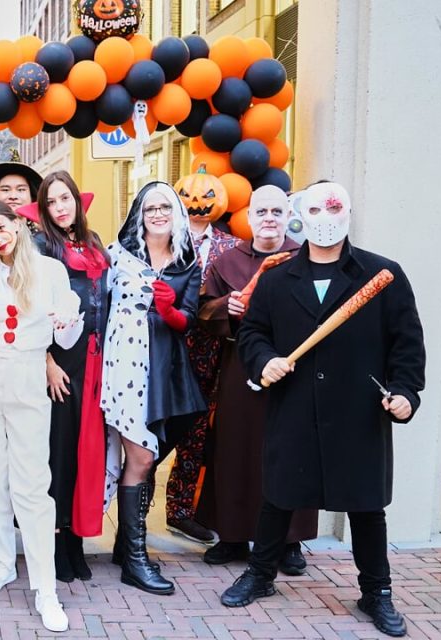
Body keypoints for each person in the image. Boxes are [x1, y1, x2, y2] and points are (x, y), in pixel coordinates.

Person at [224, 182, 425, 639]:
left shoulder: (382, 275)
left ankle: (377, 591)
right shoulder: (278, 279)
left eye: (333, 206)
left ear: (349, 211)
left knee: (367, 508)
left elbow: (407, 345)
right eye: (314, 207)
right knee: (278, 498)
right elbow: (253, 333)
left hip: (358, 413)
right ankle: (260, 574)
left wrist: (406, 393)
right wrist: (263, 359)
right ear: (301, 215)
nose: (324, 215)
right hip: (293, 407)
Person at [0, 200, 81, 632]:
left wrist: (64, 321)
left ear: (19, 224)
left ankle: (45, 587)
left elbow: (69, 330)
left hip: (27, 379)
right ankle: (4, 560)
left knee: (31, 486)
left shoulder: (50, 272)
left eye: (1, 229)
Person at [194, 186, 315, 571]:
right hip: (241, 366)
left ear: (287, 216)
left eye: (277, 212)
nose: (268, 218)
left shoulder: (307, 258)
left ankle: (289, 542)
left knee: (290, 453)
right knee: (235, 450)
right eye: (261, 211)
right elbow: (203, 310)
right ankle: (231, 536)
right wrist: (222, 307)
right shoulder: (228, 262)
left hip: (293, 368)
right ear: (249, 217)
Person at [100, 181, 206, 596]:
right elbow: (98, 306)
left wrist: (168, 309)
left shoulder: (186, 263)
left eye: (165, 207)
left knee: (146, 457)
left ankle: (126, 548)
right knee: (140, 457)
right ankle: (136, 561)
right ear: (138, 215)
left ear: (177, 213)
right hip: (122, 364)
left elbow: (189, 319)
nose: (158, 213)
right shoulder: (117, 256)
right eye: (149, 208)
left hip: (164, 371)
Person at [29, 172, 117, 583]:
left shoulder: (95, 242)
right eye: (52, 202)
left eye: (66, 198)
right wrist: (46, 360)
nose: (61, 207)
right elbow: (30, 307)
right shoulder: (41, 246)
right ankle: (57, 545)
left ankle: (77, 541)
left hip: (96, 359)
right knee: (60, 453)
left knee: (88, 453)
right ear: (44, 210)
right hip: (61, 361)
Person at [163, 170, 242, 547]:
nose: (197, 201)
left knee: (196, 434)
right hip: (166, 349)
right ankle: (135, 517)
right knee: (153, 436)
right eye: (188, 195)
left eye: (207, 194)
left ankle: (180, 511)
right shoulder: (164, 241)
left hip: (211, 352)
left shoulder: (232, 246)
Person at [0, 161, 43, 227]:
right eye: (5, 190)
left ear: (31, 196)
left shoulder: (48, 236)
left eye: (21, 190)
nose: (13, 196)